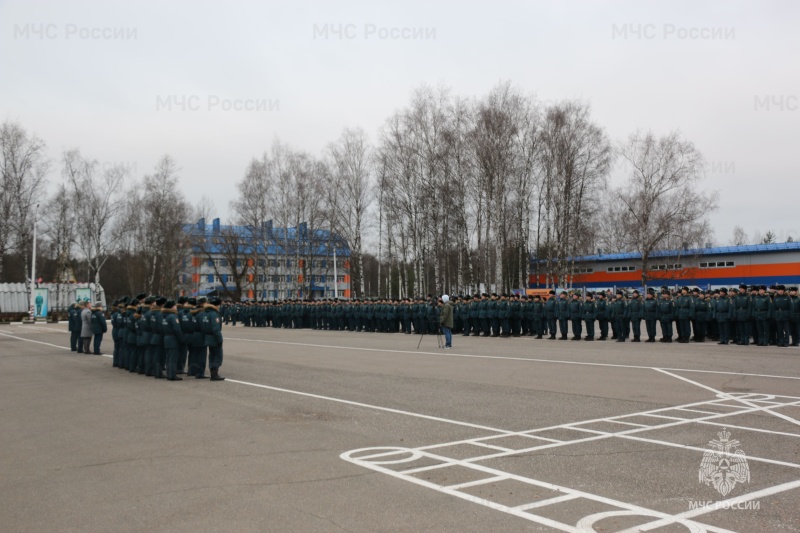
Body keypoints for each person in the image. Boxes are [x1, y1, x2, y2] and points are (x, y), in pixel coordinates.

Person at [203, 297, 225, 381]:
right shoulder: (214, 314)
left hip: (207, 336)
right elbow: (215, 328)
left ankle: (212, 371)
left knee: (211, 355)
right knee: (218, 356)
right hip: (214, 337)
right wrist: (220, 339)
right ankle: (214, 373)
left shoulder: (206, 313)